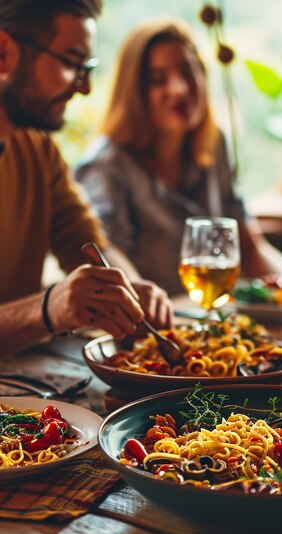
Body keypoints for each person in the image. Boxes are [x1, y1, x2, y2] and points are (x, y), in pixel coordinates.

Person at [0, 0, 173, 356]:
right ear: (3, 52)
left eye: (87, 67)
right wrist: (46, 309)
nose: (85, 88)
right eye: (72, 63)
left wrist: (127, 286)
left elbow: (91, 247)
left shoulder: (38, 149)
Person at [75, 18, 282, 296]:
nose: (179, 89)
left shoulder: (215, 144)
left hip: (212, 321)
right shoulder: (106, 166)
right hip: (148, 330)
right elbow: (107, 253)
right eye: (158, 80)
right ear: (134, 91)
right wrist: (146, 302)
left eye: (188, 72)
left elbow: (250, 247)